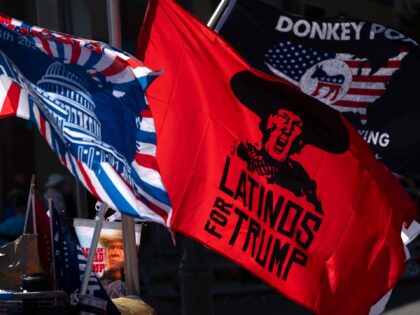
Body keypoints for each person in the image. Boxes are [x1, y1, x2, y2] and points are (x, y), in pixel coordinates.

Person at [231, 71, 350, 215]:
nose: (287, 129)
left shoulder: (303, 182)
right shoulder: (240, 149)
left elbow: (317, 210)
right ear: (269, 122)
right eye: (283, 118)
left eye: (296, 125)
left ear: (299, 142)